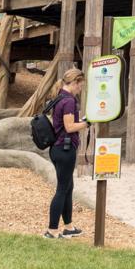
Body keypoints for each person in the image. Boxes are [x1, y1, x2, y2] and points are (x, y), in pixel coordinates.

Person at [46, 67, 89, 239]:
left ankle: (69, 226)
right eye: (81, 85)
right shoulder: (69, 101)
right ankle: (52, 230)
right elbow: (69, 127)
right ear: (75, 82)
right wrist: (88, 123)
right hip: (65, 149)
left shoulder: (59, 97)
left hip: (57, 149)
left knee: (68, 187)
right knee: (62, 189)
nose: (81, 89)